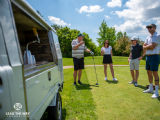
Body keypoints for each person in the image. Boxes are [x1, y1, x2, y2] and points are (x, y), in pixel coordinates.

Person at [143, 23, 160, 98]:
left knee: (155, 73)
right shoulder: (147, 37)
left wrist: (147, 46)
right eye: (148, 28)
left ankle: (156, 92)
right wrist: (148, 46)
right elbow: (143, 47)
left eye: (150, 27)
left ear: (155, 28)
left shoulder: (158, 36)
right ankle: (150, 88)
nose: (149, 29)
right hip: (148, 57)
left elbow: (153, 47)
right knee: (149, 73)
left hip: (155, 56)